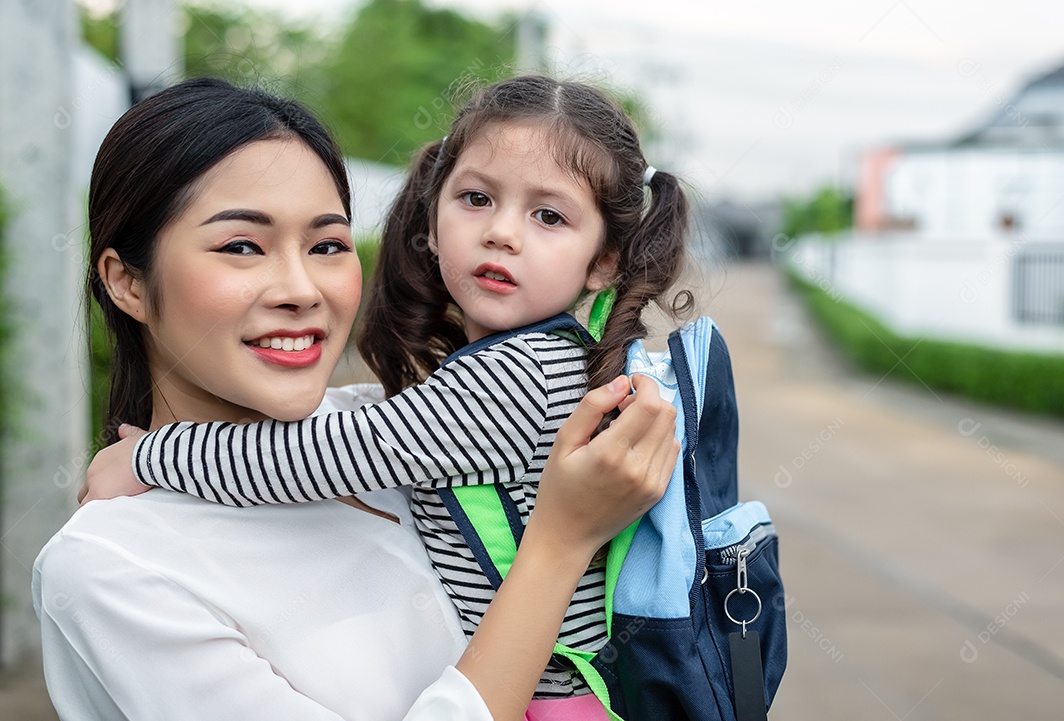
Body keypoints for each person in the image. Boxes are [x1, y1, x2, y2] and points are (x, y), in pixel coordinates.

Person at [36, 77, 679, 721]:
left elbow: (315, 454)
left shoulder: (380, 426)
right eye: (241, 246)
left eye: (327, 246)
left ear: (604, 260)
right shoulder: (110, 567)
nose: (301, 288)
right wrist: (558, 545)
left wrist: (151, 456)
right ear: (126, 281)